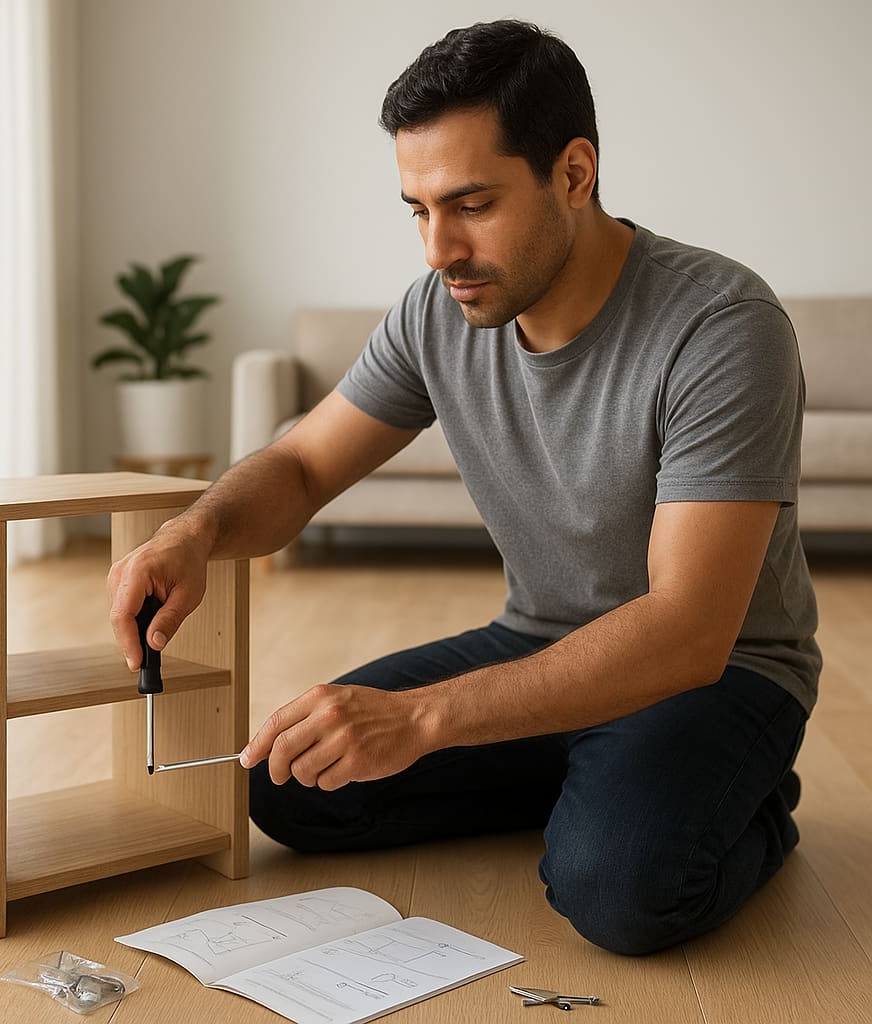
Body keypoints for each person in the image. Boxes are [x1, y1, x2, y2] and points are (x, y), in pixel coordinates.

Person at [107, 20, 820, 956]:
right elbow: (304, 464)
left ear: (574, 173)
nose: (438, 248)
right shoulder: (438, 310)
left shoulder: (722, 326)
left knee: (621, 890)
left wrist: (425, 719)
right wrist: (193, 532)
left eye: (472, 204)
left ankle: (751, 806)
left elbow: (688, 626)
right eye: (417, 209)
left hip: (716, 675)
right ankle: (578, 772)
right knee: (285, 783)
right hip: (538, 639)